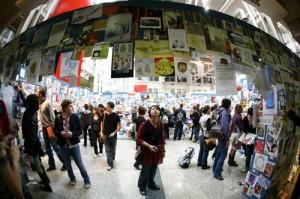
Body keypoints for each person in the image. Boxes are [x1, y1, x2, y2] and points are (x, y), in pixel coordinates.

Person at [54, 99, 91, 189]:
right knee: (67, 164)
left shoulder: (75, 117)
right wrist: (60, 133)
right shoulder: (58, 118)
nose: (72, 107)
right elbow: (55, 131)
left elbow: (80, 131)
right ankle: (72, 178)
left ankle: (86, 180)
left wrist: (72, 134)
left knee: (80, 164)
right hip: (63, 146)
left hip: (74, 145)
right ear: (65, 108)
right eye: (70, 106)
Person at [22, 94, 52, 192]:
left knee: (38, 165)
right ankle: (46, 180)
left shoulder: (29, 114)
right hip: (35, 143)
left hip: (32, 144)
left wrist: (28, 149)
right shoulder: (33, 112)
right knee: (39, 164)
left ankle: (47, 186)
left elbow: (30, 134)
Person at [137, 105, 166, 196]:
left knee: (154, 168)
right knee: (145, 170)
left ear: (159, 112)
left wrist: (163, 150)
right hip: (147, 151)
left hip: (157, 150)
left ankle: (151, 183)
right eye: (153, 108)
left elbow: (162, 138)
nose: (155, 110)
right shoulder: (144, 124)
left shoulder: (160, 124)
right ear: (149, 112)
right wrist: (149, 146)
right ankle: (142, 186)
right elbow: (138, 138)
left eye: (157, 109)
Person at [37, 87, 65, 171]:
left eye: (37, 92)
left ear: (41, 93)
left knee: (55, 147)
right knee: (48, 148)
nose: (36, 93)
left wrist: (54, 130)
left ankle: (65, 163)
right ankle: (52, 165)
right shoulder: (40, 103)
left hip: (49, 128)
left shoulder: (47, 103)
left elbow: (53, 118)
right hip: (44, 127)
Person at [213, 98, 232, 180]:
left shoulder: (220, 111)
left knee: (219, 153)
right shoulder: (224, 113)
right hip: (223, 137)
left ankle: (215, 169)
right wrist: (227, 138)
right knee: (223, 155)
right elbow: (225, 126)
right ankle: (217, 173)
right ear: (228, 104)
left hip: (220, 136)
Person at [100, 102, 121, 171]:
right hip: (105, 134)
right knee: (108, 150)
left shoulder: (116, 116)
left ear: (112, 107)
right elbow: (102, 123)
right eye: (106, 106)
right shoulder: (104, 115)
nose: (107, 108)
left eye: (108, 106)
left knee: (113, 148)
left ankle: (112, 157)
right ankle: (110, 164)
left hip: (113, 136)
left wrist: (114, 133)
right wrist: (101, 131)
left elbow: (119, 126)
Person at [242, 107, 256, 172]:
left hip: (256, 139)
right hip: (248, 139)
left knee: (254, 153)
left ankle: (253, 167)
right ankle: (247, 168)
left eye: (252, 115)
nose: (250, 116)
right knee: (248, 154)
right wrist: (250, 125)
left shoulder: (256, 119)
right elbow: (244, 130)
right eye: (250, 115)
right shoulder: (245, 119)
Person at [197, 105, 211, 169]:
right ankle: (204, 165)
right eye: (209, 109)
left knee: (201, 149)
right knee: (206, 150)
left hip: (201, 134)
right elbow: (209, 127)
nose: (210, 110)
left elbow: (200, 126)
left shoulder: (201, 117)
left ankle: (199, 162)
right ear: (208, 110)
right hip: (206, 135)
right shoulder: (208, 117)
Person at [133, 106, 146, 170]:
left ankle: (138, 161)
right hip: (142, 136)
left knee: (139, 149)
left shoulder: (136, 119)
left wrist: (135, 135)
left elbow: (135, 128)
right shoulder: (144, 120)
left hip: (137, 135)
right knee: (141, 151)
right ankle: (137, 163)